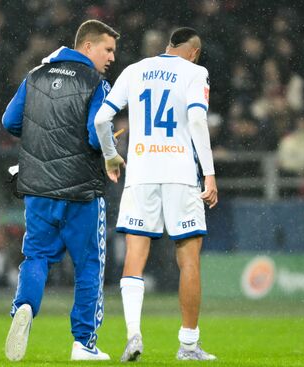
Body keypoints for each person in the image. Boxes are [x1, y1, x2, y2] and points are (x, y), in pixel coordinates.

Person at [94, 27, 218, 361]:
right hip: (179, 172)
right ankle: (189, 345)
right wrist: (209, 172)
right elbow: (196, 120)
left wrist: (110, 155)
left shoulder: (134, 71)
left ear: (167, 46)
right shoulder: (195, 72)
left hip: (142, 170)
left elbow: (103, 118)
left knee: (135, 253)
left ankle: (133, 334)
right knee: (188, 258)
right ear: (193, 51)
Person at [1, 20, 119, 362]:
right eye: (107, 49)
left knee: (36, 257)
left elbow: (10, 121)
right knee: (89, 266)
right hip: (81, 190)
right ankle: (84, 343)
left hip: (37, 188)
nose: (112, 57)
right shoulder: (96, 82)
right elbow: (96, 134)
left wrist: (46, 137)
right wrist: (111, 150)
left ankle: (24, 306)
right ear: (87, 47)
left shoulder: (35, 76)